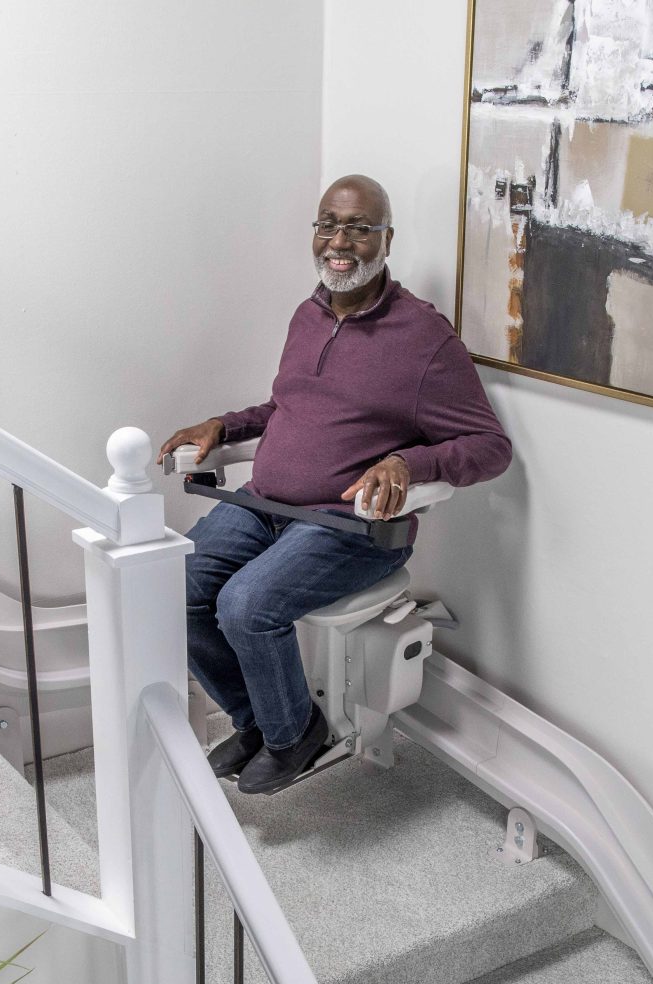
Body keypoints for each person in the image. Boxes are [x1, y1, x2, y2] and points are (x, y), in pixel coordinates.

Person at [160, 174, 512, 795]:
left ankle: (296, 733)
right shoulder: (309, 313)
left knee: (245, 605)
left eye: (358, 227)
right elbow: (287, 407)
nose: (339, 241)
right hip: (264, 506)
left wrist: (411, 462)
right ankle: (258, 721)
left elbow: (491, 448)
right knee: (176, 589)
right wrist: (225, 424)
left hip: (351, 527)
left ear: (387, 239)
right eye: (328, 224)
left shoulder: (424, 338)